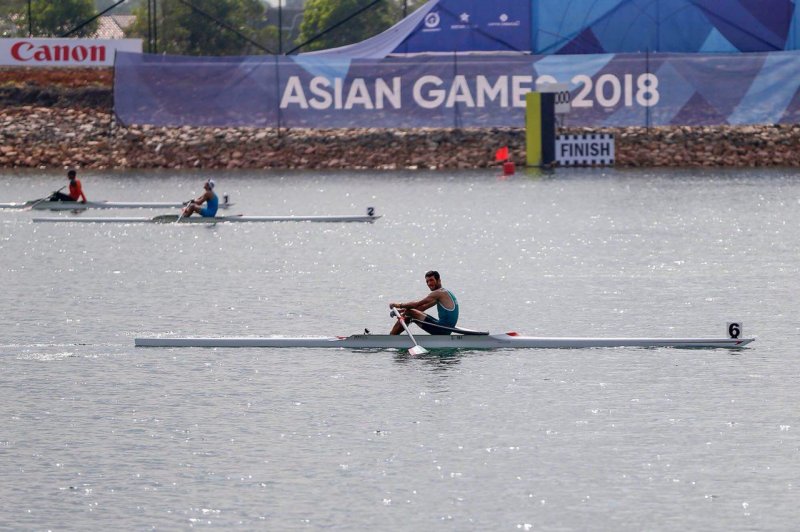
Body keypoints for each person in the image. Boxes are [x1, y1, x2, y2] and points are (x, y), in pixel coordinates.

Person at [389, 270, 459, 335]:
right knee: (409, 313)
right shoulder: (444, 293)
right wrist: (400, 311)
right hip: (446, 329)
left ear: (439, 280)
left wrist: (397, 305)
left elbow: (416, 304)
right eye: (427, 281)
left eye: (431, 280)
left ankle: (390, 338)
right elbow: (422, 307)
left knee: (409, 313)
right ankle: (393, 337)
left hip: (442, 330)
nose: (429, 283)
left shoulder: (438, 293)